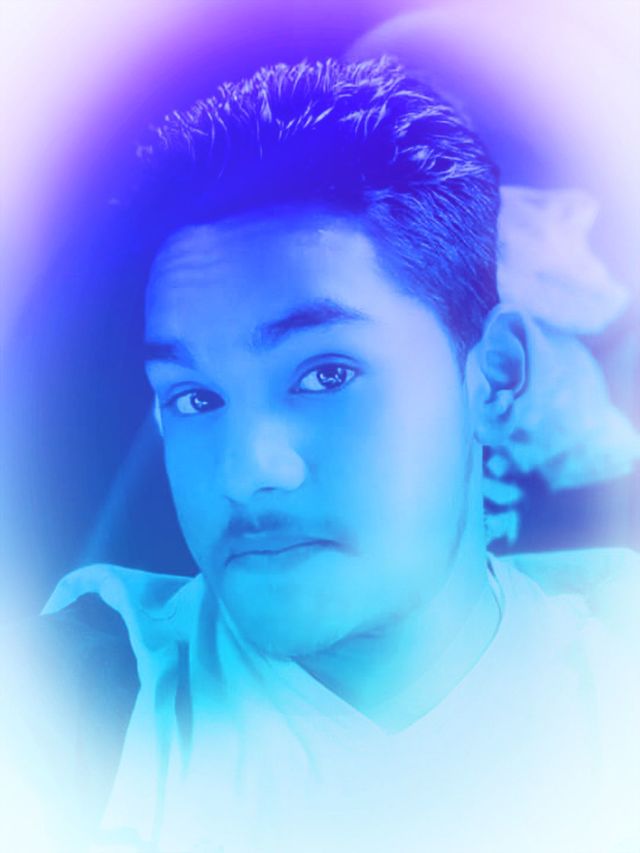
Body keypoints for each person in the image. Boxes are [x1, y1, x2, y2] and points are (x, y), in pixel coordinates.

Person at [3, 57, 638, 853]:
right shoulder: (70, 704)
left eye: (325, 374)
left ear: (495, 377)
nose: (245, 472)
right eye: (194, 398)